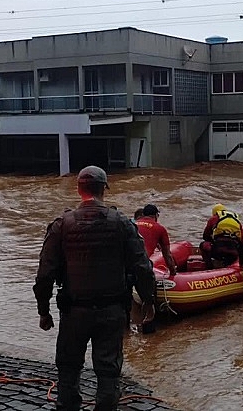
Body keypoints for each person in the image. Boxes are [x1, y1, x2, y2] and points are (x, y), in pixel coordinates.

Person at [33, 165, 156, 411]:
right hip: (111, 311)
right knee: (108, 371)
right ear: (104, 190)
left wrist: (43, 311)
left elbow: (45, 273)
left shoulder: (61, 225)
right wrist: (149, 302)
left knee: (68, 369)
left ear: (79, 189)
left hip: (73, 312)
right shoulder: (122, 223)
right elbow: (142, 267)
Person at [199, 204, 243, 269]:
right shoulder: (236, 220)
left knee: (203, 245)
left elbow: (205, 237)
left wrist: (214, 238)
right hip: (234, 252)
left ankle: (209, 267)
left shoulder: (213, 219)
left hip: (219, 251)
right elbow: (242, 239)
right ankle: (233, 266)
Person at [134, 204, 177, 276]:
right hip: (142, 263)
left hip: (124, 262)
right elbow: (167, 254)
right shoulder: (160, 228)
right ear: (156, 215)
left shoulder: (132, 224)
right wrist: (173, 272)